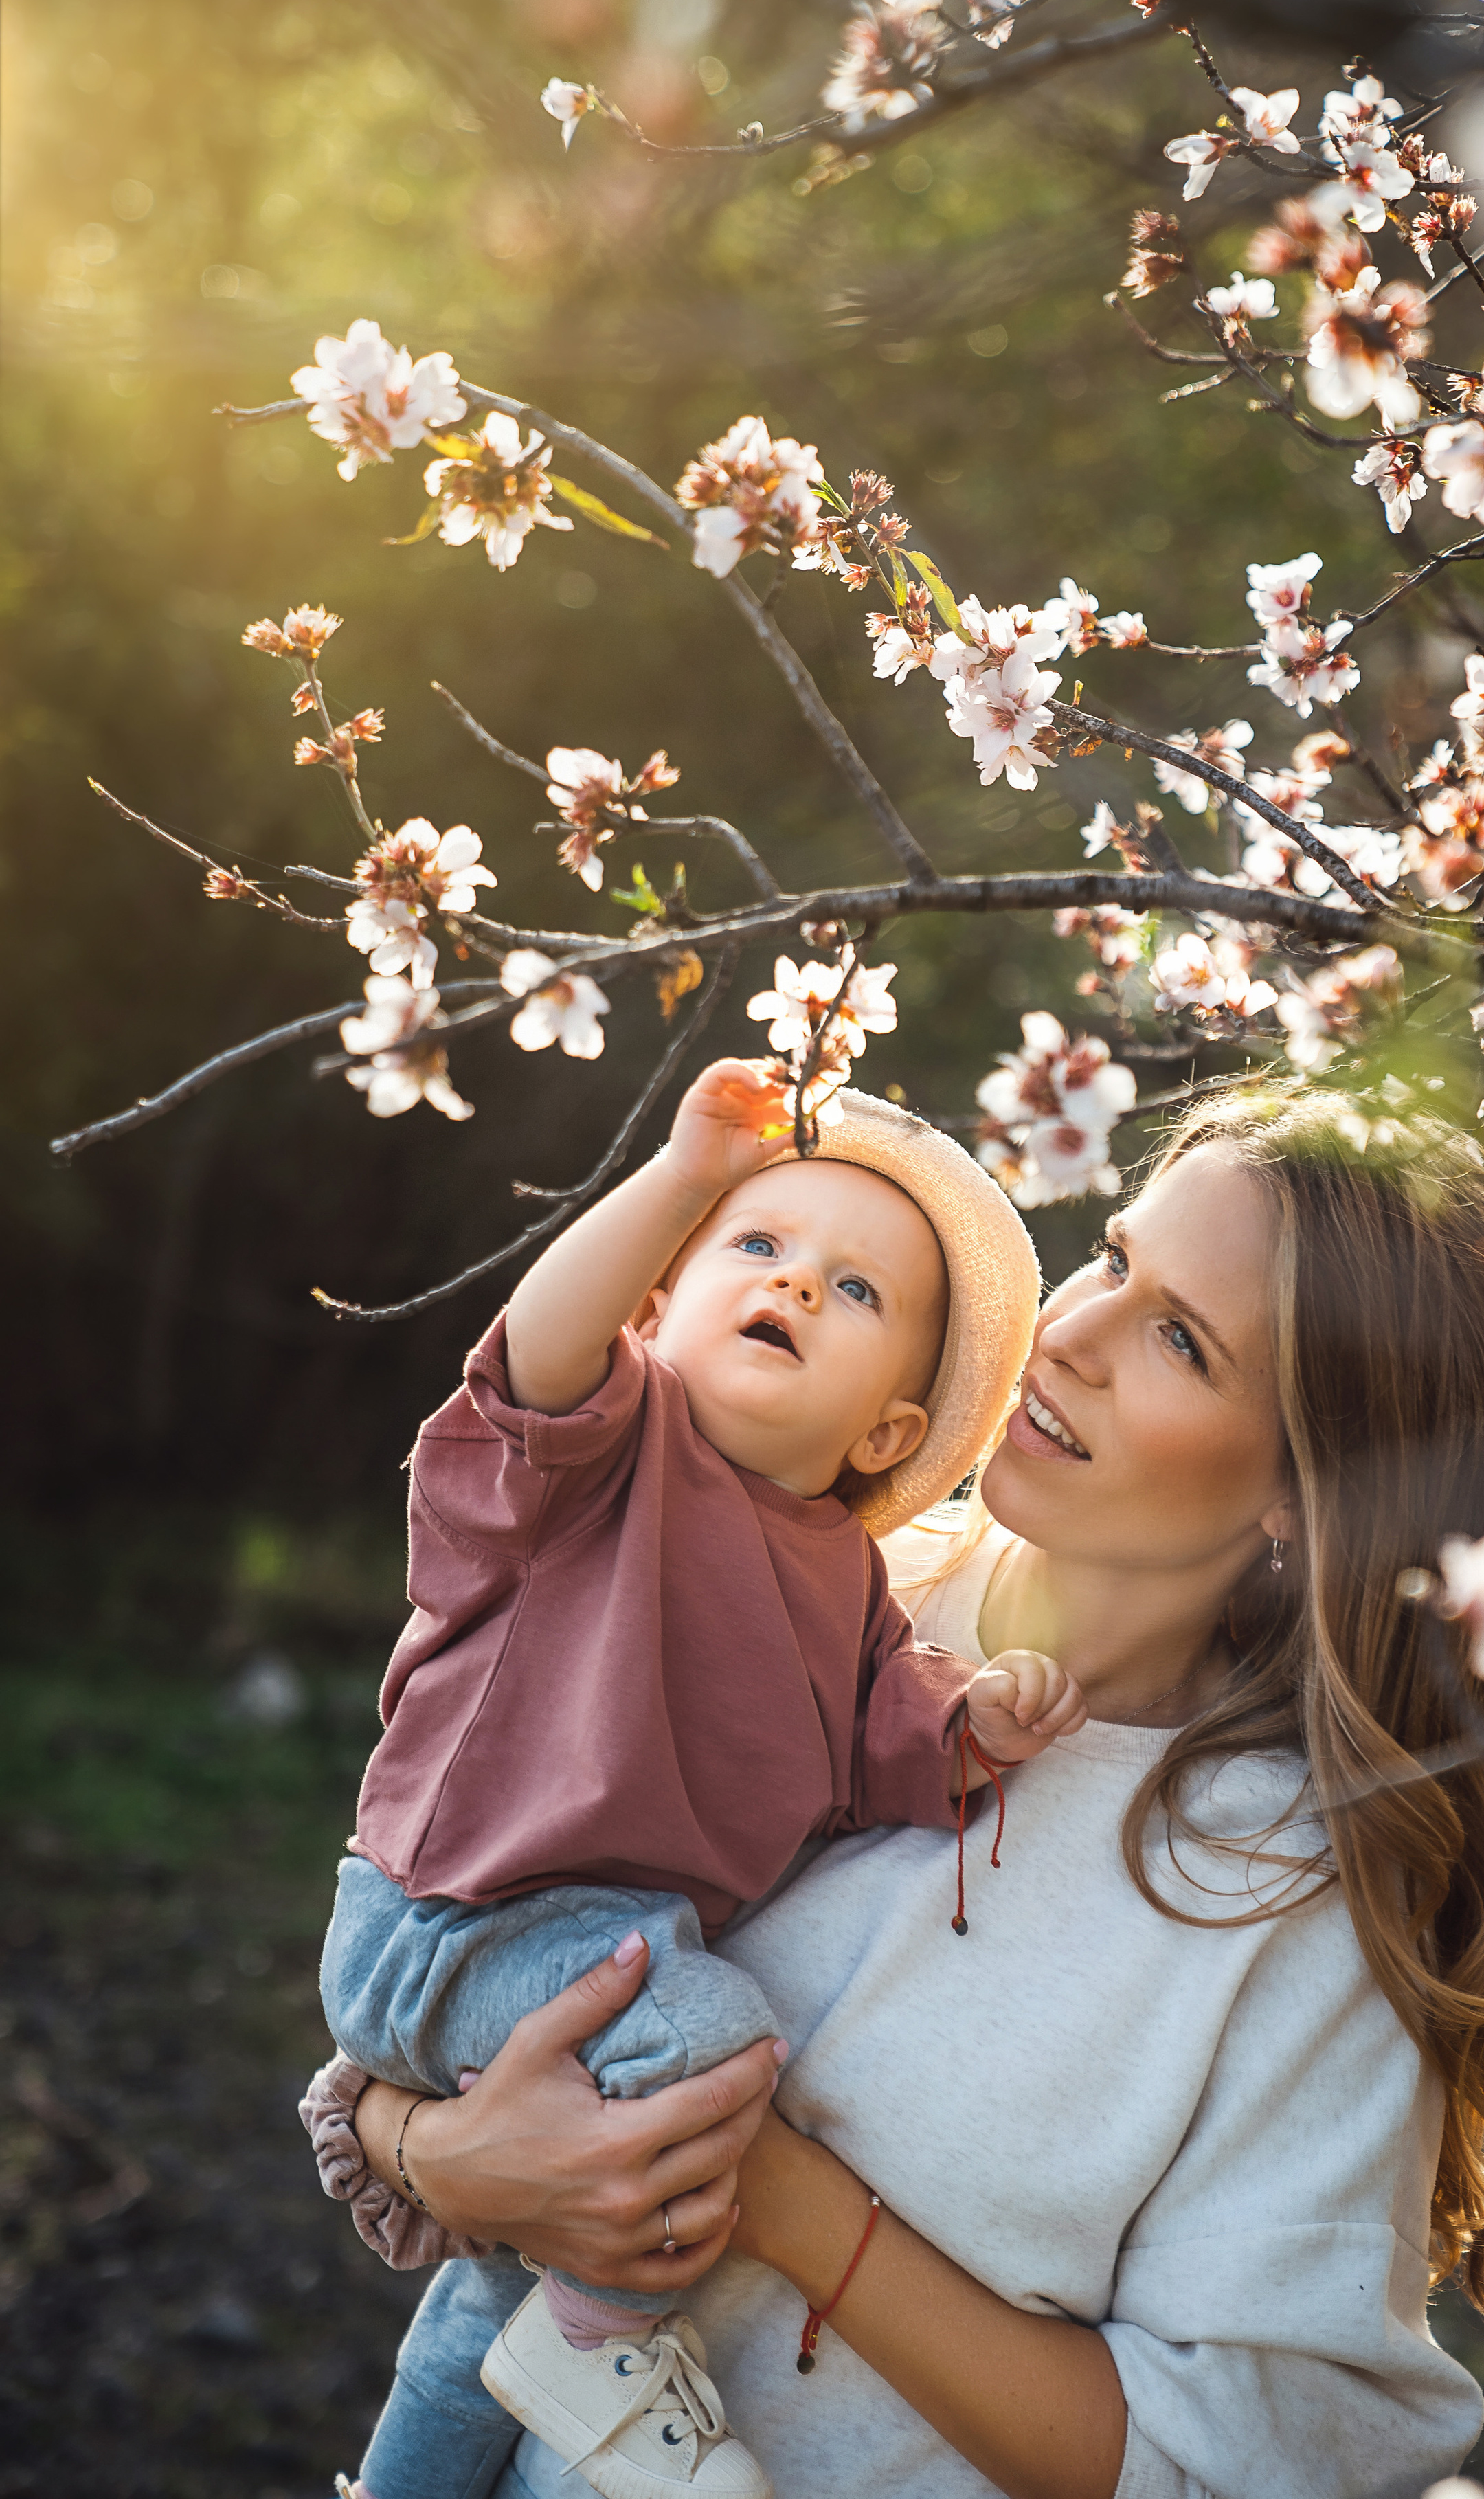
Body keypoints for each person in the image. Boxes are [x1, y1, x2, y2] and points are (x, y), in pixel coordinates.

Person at [307, 1086, 1484, 2499]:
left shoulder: (1293, 1904)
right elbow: (448, 1949)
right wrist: (433, 2154)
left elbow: (1229, 2464)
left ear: (1309, 1491)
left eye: (1179, 1338)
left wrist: (782, 2200)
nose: (1075, 1338)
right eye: (1112, 1260)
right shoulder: (802, 1582)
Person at [310, 1062, 1070, 2499]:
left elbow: (890, 1743)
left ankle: (434, 2456)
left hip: (583, 1960)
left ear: (886, 1438)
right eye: (759, 1246)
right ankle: (606, 2349)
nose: (796, 1284)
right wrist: (675, 1181)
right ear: (655, 1312)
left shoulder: (847, 1584)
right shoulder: (602, 1448)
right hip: (457, 1914)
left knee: (553, 2249)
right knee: (715, 2053)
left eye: (857, 1294)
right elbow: (539, 1340)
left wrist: (989, 1720)